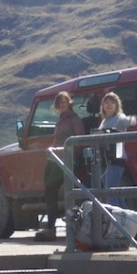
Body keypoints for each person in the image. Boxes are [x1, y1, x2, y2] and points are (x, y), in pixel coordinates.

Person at [40, 91, 86, 240]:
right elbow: (57, 140)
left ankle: (75, 229)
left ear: (69, 103)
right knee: (49, 191)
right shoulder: (60, 120)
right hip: (55, 160)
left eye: (64, 102)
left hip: (68, 160)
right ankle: (50, 227)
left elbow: (79, 141)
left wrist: (74, 158)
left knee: (70, 194)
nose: (61, 105)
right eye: (59, 103)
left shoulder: (74, 119)